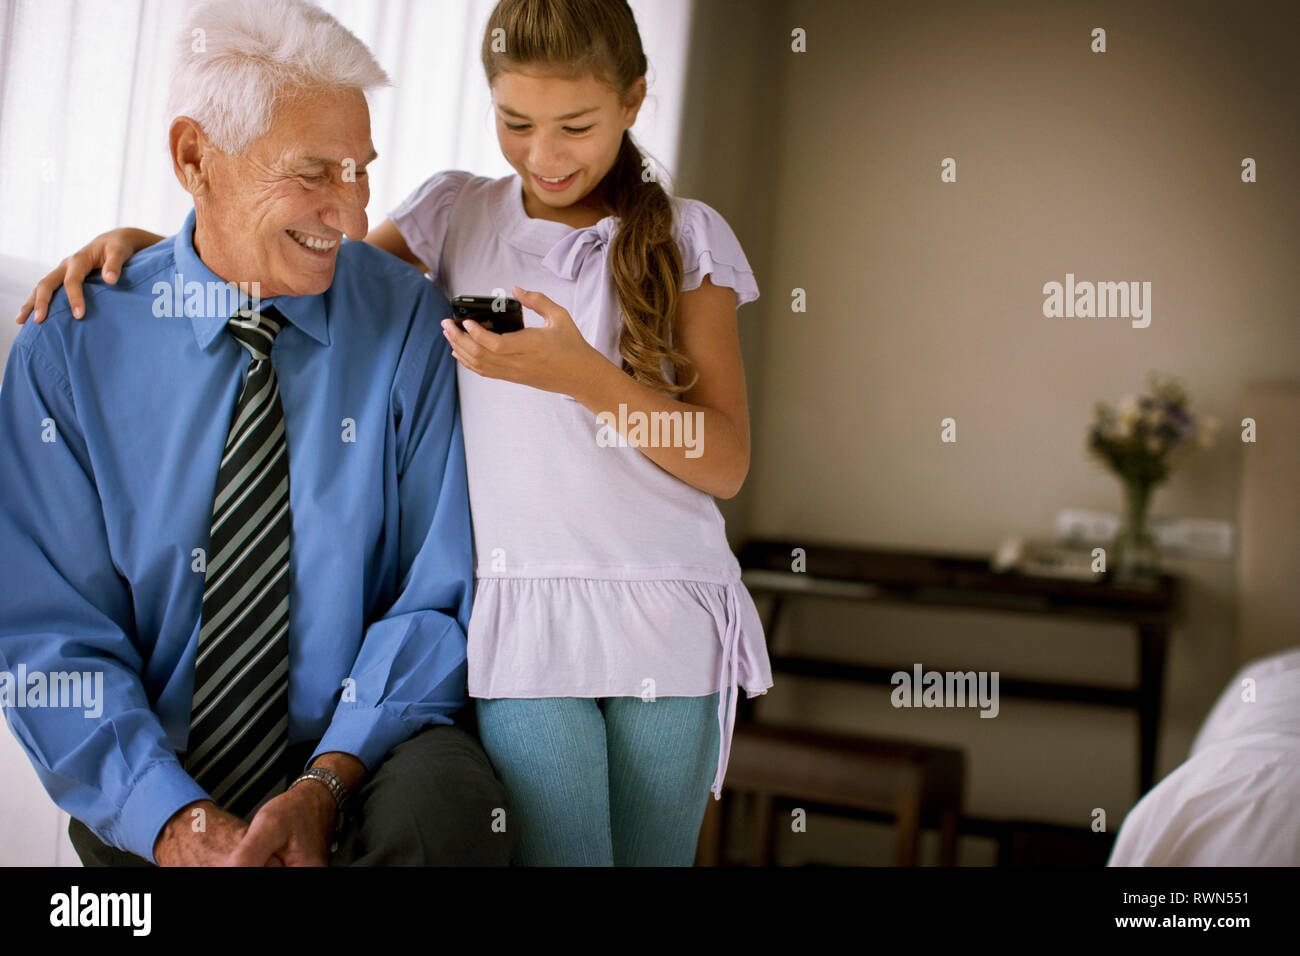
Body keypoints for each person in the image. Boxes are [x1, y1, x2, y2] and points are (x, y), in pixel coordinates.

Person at [17, 0, 773, 867]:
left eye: (577, 125)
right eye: (517, 121)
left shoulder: (665, 243)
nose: (546, 154)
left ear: (635, 101)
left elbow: (722, 462)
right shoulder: (454, 216)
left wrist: (583, 378)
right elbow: (306, 262)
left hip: (653, 615)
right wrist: (163, 256)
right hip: (520, 627)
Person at [0, 0, 514, 867]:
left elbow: (435, 595)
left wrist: (326, 783)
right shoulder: (71, 347)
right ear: (195, 158)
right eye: (316, 174)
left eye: (361, 173)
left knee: (446, 811)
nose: (353, 219)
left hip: (368, 751)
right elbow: (48, 633)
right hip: (161, 755)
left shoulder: (405, 327)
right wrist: (171, 819)